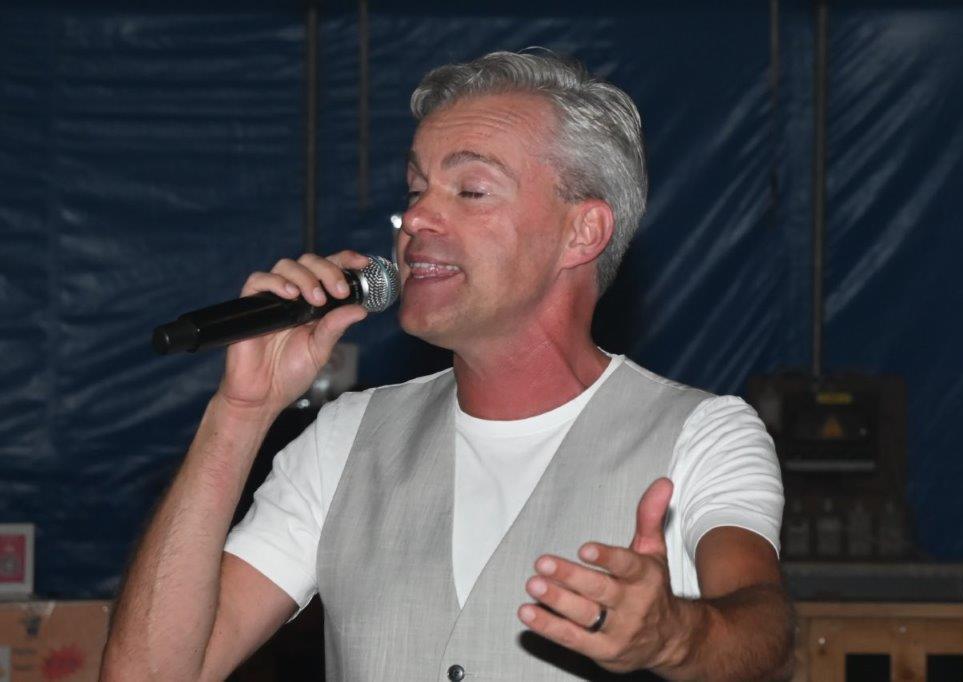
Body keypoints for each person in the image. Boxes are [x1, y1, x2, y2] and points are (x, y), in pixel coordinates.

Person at [102, 51, 792, 681]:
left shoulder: (700, 434)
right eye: (415, 190)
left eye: (470, 190)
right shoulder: (345, 439)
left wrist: (676, 637)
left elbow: (766, 637)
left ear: (582, 233)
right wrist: (240, 413)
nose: (415, 220)